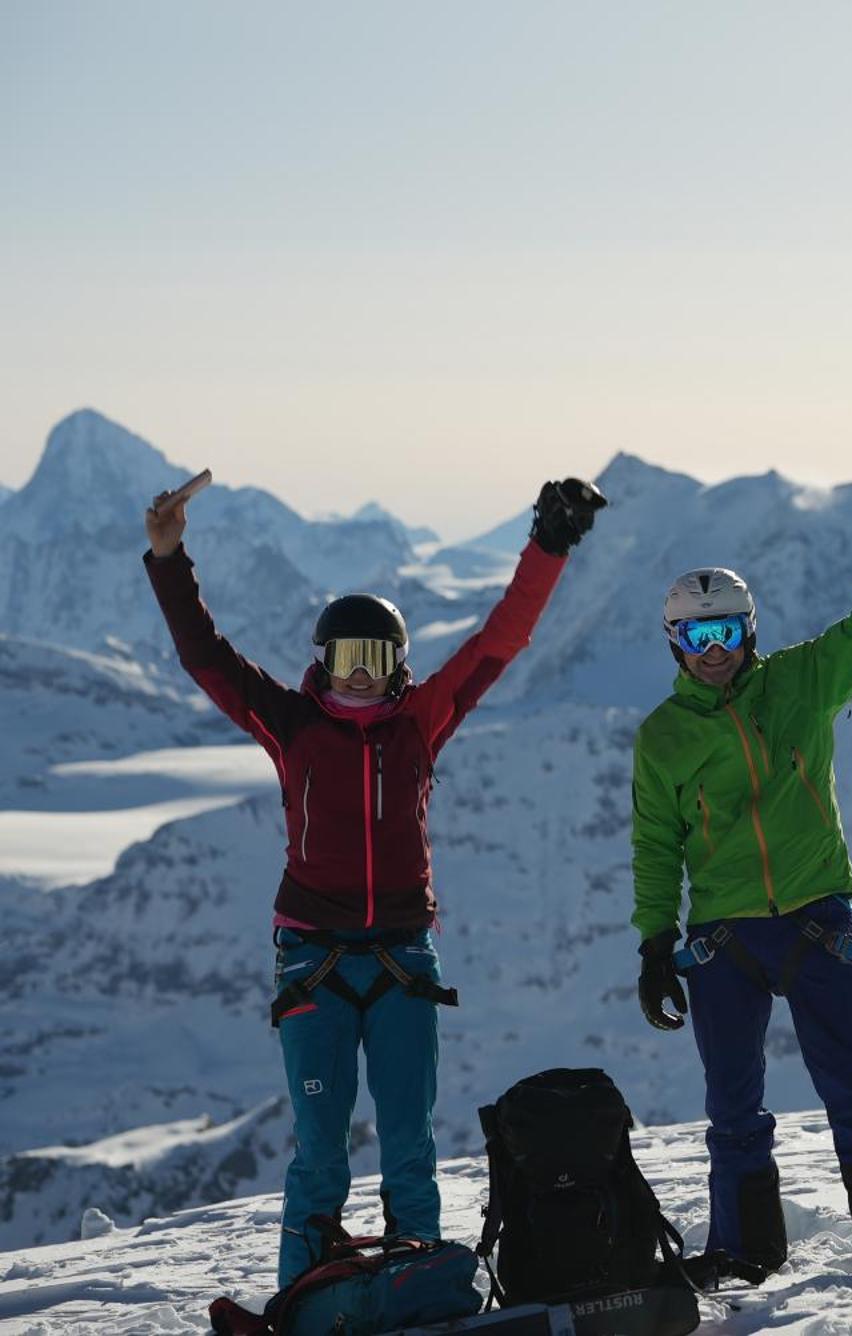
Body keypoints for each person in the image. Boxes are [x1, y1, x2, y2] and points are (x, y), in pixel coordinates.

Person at [143, 470, 605, 1286]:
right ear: (323, 661)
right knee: (319, 1148)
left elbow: (499, 641)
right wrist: (171, 560)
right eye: (347, 657)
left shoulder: (421, 724)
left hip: (402, 957)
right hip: (313, 957)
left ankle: (416, 1286)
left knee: (409, 1140)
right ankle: (306, 1297)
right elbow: (205, 659)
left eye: (377, 657)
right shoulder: (292, 723)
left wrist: (549, 544)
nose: (360, 674)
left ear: (398, 664)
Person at [630, 442, 852, 1287]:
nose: (713, 649)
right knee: (733, 1111)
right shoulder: (663, 737)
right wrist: (653, 942)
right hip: (722, 937)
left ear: (749, 629)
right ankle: (741, 1257)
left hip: (815, 919)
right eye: (696, 634)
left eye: (726, 630)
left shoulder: (803, 682)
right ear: (673, 641)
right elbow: (655, 843)